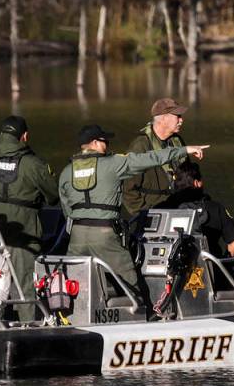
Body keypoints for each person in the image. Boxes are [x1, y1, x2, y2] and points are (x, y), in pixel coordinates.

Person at [59, 124, 208, 303]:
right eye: (104, 140)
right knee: (129, 280)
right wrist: (185, 150)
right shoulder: (113, 163)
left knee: (75, 279)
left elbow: (66, 207)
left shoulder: (67, 171)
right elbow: (150, 158)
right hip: (105, 235)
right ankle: (140, 314)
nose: (107, 144)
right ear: (95, 143)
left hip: (77, 236)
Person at [0, 115, 59, 320]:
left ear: (1, 135)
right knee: (24, 287)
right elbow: (53, 196)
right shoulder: (34, 164)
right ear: (25, 136)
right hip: (24, 235)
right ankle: (27, 328)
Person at [159, 159, 234, 259]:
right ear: (196, 183)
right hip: (208, 268)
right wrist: (226, 263)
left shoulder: (162, 208)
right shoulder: (215, 208)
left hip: (168, 266)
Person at [122, 98, 188, 215]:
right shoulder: (141, 145)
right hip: (151, 211)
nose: (181, 120)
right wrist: (142, 213)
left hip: (179, 208)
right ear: (163, 118)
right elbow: (127, 189)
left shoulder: (177, 141)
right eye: (177, 116)